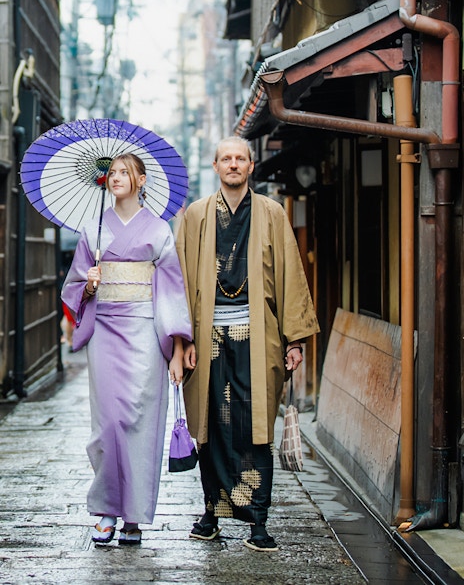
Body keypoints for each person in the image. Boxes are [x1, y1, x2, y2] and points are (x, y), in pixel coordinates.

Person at [176, 136, 319, 552]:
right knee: (211, 426)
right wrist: (181, 341)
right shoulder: (197, 216)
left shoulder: (272, 213)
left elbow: (290, 275)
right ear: (215, 165)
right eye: (226, 159)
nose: (233, 164)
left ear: (251, 166)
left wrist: (294, 340)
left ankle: (258, 520)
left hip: (260, 338)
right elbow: (182, 281)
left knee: (256, 427)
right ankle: (211, 512)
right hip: (207, 338)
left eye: (240, 158)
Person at [62, 153, 191, 545]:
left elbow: (171, 289)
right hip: (104, 329)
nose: (116, 178)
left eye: (124, 172)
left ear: (140, 180)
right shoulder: (93, 229)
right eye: (112, 173)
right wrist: (89, 284)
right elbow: (73, 288)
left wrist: (177, 347)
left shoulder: (159, 230)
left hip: (145, 331)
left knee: (140, 420)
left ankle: (133, 516)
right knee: (108, 423)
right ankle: (105, 510)